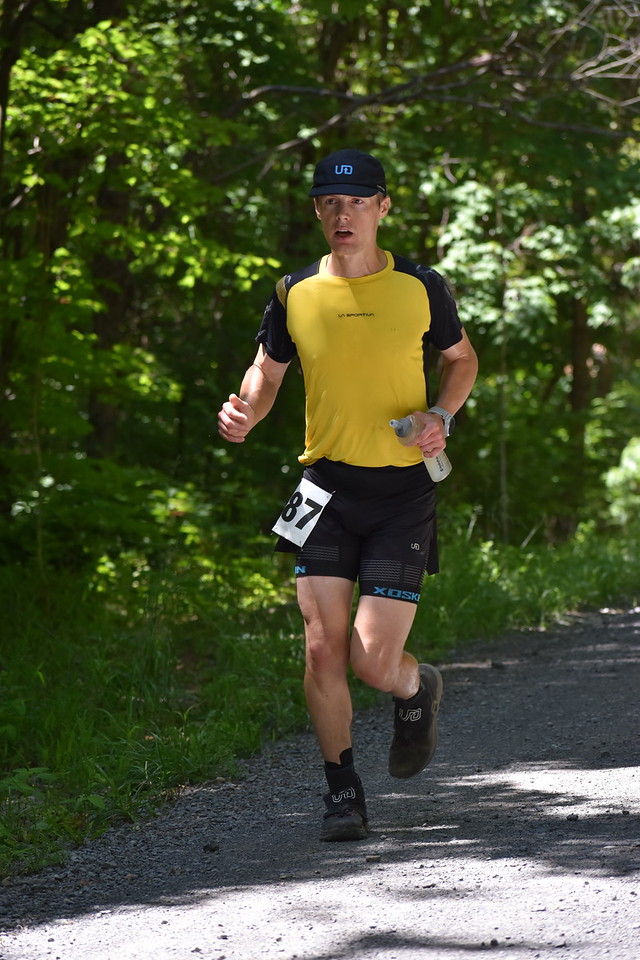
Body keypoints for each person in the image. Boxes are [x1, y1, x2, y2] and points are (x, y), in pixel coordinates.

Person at [218, 148, 478, 842]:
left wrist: (441, 414)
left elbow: (461, 359)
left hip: (402, 496)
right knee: (320, 651)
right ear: (316, 211)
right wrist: (245, 411)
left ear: (381, 208)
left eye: (358, 201)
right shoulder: (294, 292)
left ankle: (415, 689)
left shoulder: (421, 286)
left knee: (372, 663)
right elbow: (266, 372)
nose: (344, 213)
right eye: (331, 202)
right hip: (322, 489)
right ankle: (343, 793)